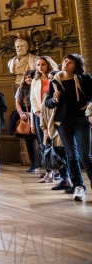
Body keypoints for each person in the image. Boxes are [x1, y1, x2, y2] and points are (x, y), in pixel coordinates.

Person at [44, 54, 92, 202]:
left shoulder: (85, 79)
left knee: (85, 156)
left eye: (70, 62)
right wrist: (54, 99)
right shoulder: (55, 81)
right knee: (71, 155)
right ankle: (78, 186)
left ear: (76, 65)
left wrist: (90, 109)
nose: (66, 63)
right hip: (63, 122)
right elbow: (47, 103)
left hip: (80, 120)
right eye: (65, 61)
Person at [39, 70, 71, 188]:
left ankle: (67, 179)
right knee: (55, 154)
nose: (51, 80)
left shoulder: (63, 95)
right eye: (49, 78)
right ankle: (63, 179)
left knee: (63, 154)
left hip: (59, 129)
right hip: (48, 130)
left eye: (53, 78)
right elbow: (43, 112)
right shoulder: (46, 95)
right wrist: (44, 129)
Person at [30, 56, 59, 147]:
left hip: (54, 112)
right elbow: (32, 98)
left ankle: (58, 161)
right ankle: (46, 161)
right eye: (38, 65)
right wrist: (37, 111)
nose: (40, 67)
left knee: (56, 141)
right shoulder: (35, 80)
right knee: (43, 142)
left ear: (48, 65)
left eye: (43, 64)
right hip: (40, 113)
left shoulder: (55, 78)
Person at [15, 70, 39, 173]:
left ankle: (49, 165)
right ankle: (34, 163)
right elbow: (17, 102)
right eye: (26, 77)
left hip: (37, 114)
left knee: (42, 141)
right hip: (26, 114)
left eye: (30, 77)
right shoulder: (21, 89)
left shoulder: (38, 86)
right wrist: (21, 113)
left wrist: (33, 114)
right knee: (29, 142)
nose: (28, 79)